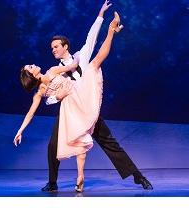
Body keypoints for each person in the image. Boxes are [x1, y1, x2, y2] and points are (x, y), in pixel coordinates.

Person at [42, 1, 153, 192]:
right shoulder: (55, 72)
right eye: (52, 48)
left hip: (87, 107)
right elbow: (48, 97)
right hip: (69, 112)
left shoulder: (80, 56)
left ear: (65, 46)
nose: (53, 50)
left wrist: (101, 14)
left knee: (109, 142)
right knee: (53, 144)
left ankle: (138, 176)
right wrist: (57, 98)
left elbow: (91, 36)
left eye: (56, 47)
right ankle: (52, 182)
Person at [14, 11, 123, 192]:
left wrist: (79, 56)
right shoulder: (44, 84)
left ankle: (111, 30)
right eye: (31, 67)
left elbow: (72, 66)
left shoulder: (51, 73)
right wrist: (20, 130)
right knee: (78, 139)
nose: (33, 64)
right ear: (31, 75)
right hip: (70, 105)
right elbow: (30, 113)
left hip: (78, 95)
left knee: (95, 63)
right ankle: (79, 177)